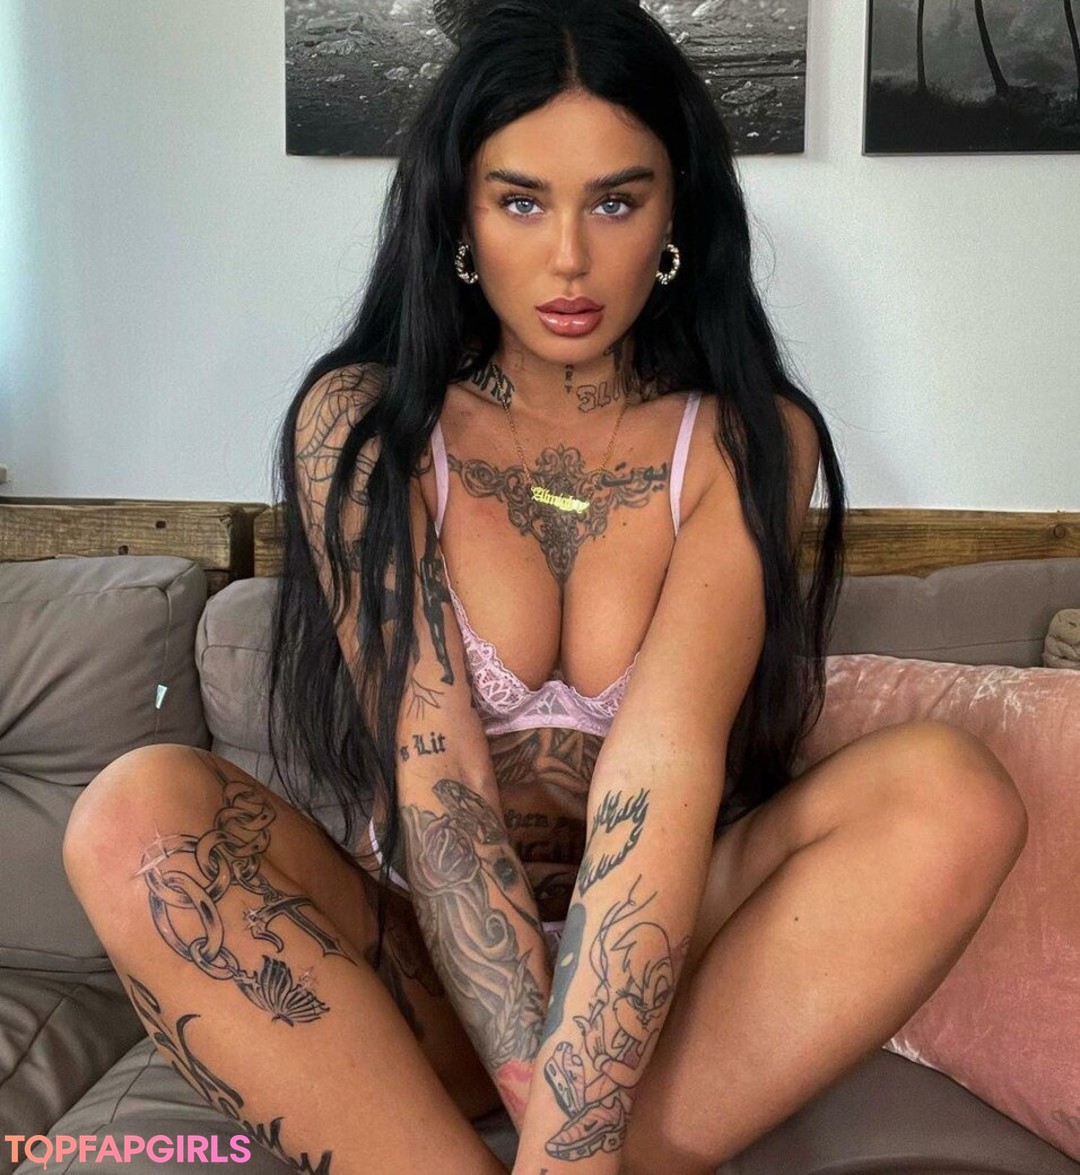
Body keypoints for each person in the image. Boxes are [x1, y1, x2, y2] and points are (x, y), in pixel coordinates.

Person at [63, 2, 1028, 1172]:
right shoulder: (364, 427)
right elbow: (436, 774)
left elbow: (665, 765)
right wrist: (551, 1113)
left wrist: (574, 1126)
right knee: (133, 810)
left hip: (673, 963)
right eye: (521, 201)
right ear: (460, 216)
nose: (569, 257)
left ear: (676, 214)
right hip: (425, 965)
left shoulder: (749, 439)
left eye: (615, 202)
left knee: (951, 790)